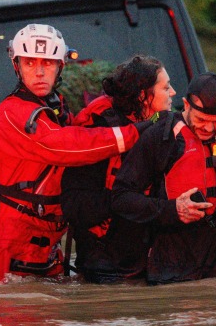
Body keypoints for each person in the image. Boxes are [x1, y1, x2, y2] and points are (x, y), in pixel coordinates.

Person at [0, 23, 150, 286]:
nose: (39, 72)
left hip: (43, 240)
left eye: (48, 63)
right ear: (17, 66)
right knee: (9, 319)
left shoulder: (55, 107)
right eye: (30, 63)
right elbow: (64, 147)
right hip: (7, 242)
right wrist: (133, 133)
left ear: (61, 67)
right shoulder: (13, 113)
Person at [110, 72, 216, 285]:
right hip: (174, 270)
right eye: (201, 119)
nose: (209, 128)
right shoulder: (160, 137)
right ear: (186, 104)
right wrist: (171, 209)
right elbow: (121, 197)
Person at [60, 55, 176, 283]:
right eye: (166, 87)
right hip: (105, 268)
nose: (172, 92)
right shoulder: (99, 131)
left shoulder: (164, 126)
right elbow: (75, 207)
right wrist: (126, 201)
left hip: (146, 262)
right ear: (143, 95)